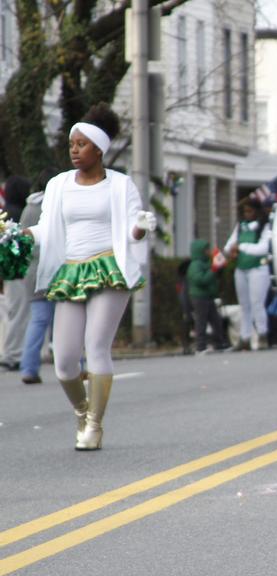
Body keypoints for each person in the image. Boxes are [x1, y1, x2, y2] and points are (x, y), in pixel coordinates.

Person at [22, 102, 155, 450]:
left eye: (82, 145)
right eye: (72, 145)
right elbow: (46, 228)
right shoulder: (58, 185)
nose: (75, 151)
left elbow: (131, 230)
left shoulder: (120, 185)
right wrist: (20, 237)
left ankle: (95, 426)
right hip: (71, 271)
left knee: (96, 346)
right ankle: (83, 410)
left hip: (109, 269)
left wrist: (140, 229)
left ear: (99, 149)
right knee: (64, 361)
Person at [17, 168, 60, 384]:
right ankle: (76, 367)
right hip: (56, 269)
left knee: (38, 321)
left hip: (31, 271)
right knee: (65, 320)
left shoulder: (28, 207)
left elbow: (22, 239)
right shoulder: (56, 206)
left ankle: (28, 367)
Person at [223, 198, 271, 351]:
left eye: (250, 211)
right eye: (245, 211)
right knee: (244, 305)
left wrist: (242, 247)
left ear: (257, 211)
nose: (247, 214)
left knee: (257, 303)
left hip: (258, 269)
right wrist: (230, 250)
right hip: (241, 269)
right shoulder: (240, 227)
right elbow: (229, 245)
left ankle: (263, 334)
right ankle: (245, 337)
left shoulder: (264, 227)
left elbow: (263, 248)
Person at [0, 175, 32, 372]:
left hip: (8, 271)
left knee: (12, 311)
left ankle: (12, 351)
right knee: (19, 312)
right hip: (18, 270)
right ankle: (12, 354)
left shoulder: (4, 213)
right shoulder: (18, 214)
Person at [186, 239, 229, 353]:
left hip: (208, 296)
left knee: (216, 321)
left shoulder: (206, 262)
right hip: (199, 297)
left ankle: (219, 343)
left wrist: (219, 267)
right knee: (201, 321)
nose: (208, 252)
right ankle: (200, 346)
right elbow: (201, 280)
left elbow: (214, 275)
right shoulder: (195, 265)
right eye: (206, 250)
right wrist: (214, 270)